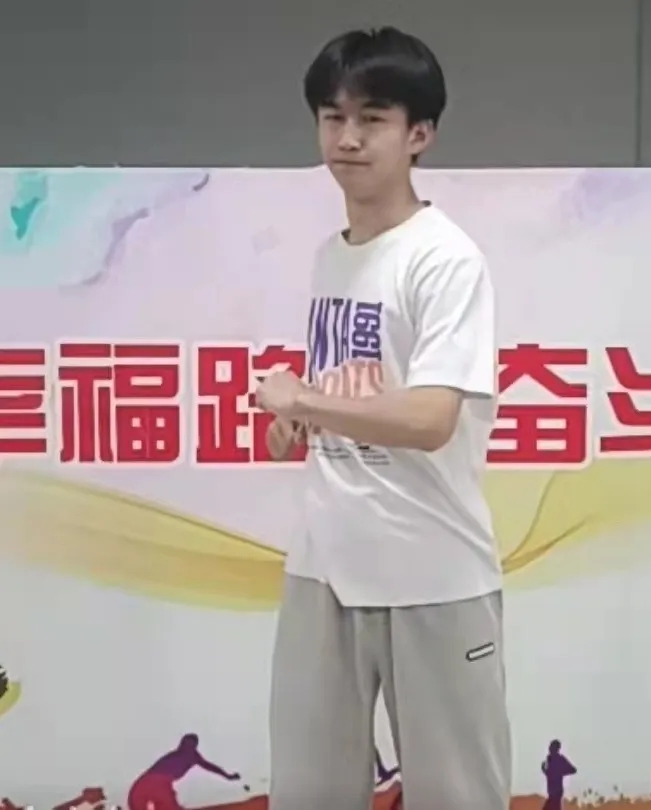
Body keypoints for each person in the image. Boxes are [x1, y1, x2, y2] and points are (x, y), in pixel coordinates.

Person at [257, 26, 510, 810]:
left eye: (372, 118)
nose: (348, 138)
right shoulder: (330, 256)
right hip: (323, 566)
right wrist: (298, 423)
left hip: (430, 569)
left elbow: (432, 416)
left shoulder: (444, 258)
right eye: (332, 118)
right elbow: (356, 392)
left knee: (457, 794)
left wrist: (304, 400)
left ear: (419, 134)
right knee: (308, 790)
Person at [127, 734, 240, 810]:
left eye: (190, 745)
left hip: (146, 783)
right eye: (185, 745)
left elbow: (210, 767)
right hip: (152, 782)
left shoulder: (192, 756)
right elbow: (210, 766)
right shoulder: (184, 755)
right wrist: (227, 776)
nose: (187, 748)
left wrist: (227, 776)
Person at [542, 740, 577, 810]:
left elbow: (573, 770)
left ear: (556, 748)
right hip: (552, 792)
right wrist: (544, 770)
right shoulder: (549, 759)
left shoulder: (560, 759)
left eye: (551, 746)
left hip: (556, 792)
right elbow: (550, 775)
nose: (549, 748)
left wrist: (561, 772)